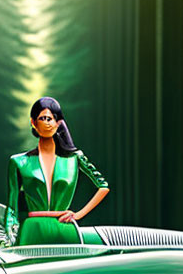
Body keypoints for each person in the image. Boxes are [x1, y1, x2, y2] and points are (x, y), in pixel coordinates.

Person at [6, 96, 109, 245]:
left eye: (52, 118)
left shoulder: (75, 158)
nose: (48, 123)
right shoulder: (18, 162)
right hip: (32, 229)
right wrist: (10, 233)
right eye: (44, 118)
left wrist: (78, 214)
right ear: (33, 122)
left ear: (59, 122)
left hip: (65, 227)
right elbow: (11, 207)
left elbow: (103, 186)